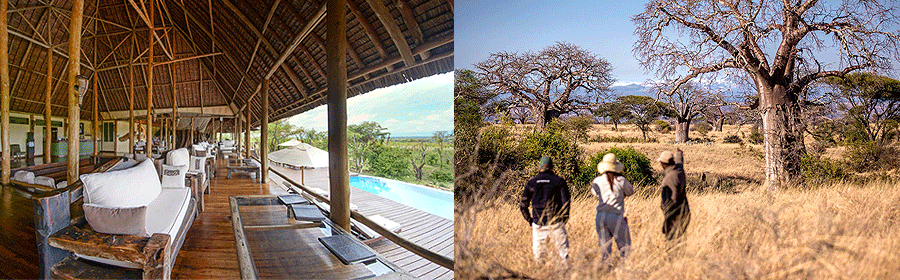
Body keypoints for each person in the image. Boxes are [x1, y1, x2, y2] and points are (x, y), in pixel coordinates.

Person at [519, 156, 571, 262]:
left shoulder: (531, 183)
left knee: (538, 257)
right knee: (563, 255)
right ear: (552, 167)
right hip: (556, 223)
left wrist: (531, 221)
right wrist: (564, 219)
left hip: (538, 224)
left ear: (539, 168)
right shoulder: (559, 181)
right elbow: (566, 202)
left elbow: (523, 205)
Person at [591, 153, 634, 259]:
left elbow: (595, 193)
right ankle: (625, 269)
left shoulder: (598, 180)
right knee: (625, 247)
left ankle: (605, 270)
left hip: (601, 216)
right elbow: (630, 192)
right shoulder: (621, 180)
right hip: (616, 216)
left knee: (604, 249)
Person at [658, 149, 690, 240]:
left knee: (672, 242)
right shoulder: (679, 171)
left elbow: (672, 201)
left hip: (675, 215)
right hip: (685, 211)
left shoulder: (670, 178)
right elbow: (680, 162)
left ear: (663, 164)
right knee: (680, 239)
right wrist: (679, 152)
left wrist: (667, 221)